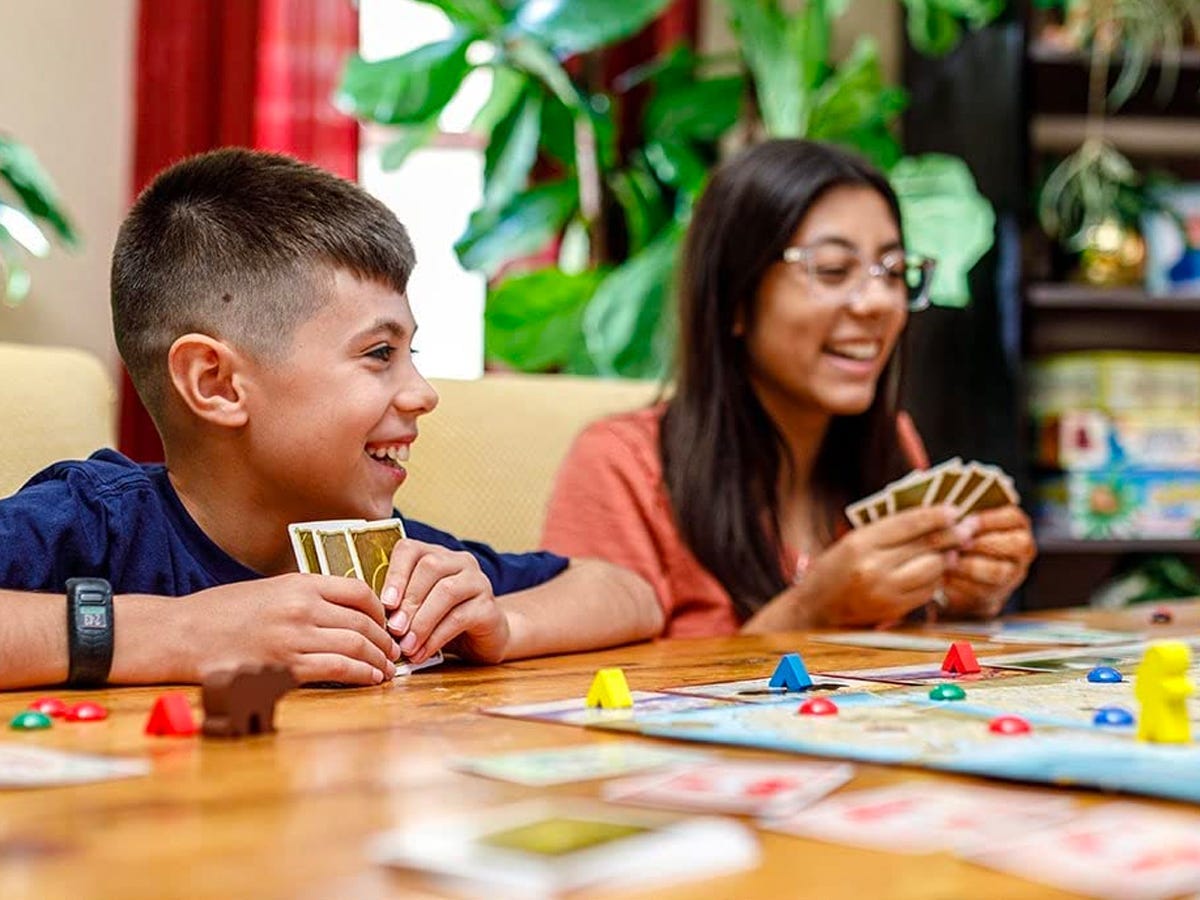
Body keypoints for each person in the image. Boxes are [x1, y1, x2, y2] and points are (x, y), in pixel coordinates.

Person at [0, 148, 662, 691]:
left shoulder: (381, 552)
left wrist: (502, 624)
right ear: (217, 383)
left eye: (413, 353)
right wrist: (181, 632)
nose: (423, 394)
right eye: (379, 354)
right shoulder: (95, 524)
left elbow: (627, 592)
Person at [542, 139, 1036, 638]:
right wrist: (811, 612)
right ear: (735, 298)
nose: (878, 303)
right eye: (832, 270)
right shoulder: (623, 466)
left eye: (892, 271)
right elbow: (588, 696)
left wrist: (963, 599)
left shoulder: (892, 442)